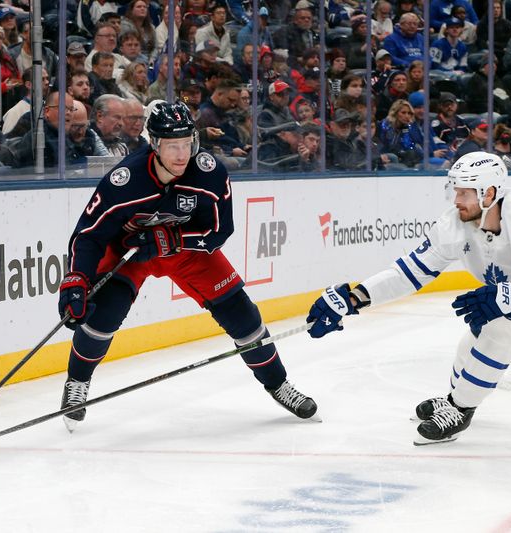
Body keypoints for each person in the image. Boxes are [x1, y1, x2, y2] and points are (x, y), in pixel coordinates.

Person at [305, 152, 511, 445]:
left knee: (500, 327)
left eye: (464, 192)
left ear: (489, 194)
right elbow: (409, 272)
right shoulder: (453, 224)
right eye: (455, 190)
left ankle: (461, 409)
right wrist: (356, 297)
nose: (456, 200)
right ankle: (454, 399)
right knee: (473, 339)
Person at [57, 101, 318, 431]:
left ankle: (279, 384)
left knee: (243, 316)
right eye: (172, 146)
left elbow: (220, 231)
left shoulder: (209, 173)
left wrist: (173, 241)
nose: (182, 155)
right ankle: (76, 385)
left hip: (187, 252)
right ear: (154, 145)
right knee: (103, 315)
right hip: (130, 252)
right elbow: (89, 235)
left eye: (187, 144)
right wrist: (77, 278)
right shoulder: (123, 181)